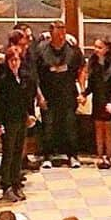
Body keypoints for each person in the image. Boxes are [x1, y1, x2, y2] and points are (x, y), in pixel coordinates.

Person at [35, 19, 85, 168]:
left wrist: (81, 90)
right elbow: (35, 75)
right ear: (51, 33)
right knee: (48, 126)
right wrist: (39, 96)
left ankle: (73, 156)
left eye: (63, 31)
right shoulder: (41, 50)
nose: (61, 35)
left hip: (68, 94)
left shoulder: (73, 50)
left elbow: (82, 69)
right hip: (48, 95)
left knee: (70, 125)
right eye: (58, 32)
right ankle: (47, 156)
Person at [0, 44, 36, 203]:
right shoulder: (4, 79)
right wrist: (0, 123)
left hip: (21, 119)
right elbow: (1, 103)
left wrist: (30, 114)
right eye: (11, 60)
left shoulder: (24, 77)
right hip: (9, 120)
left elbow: (28, 98)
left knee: (18, 153)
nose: (14, 63)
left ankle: (16, 182)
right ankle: (6, 185)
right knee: (8, 154)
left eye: (16, 60)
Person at [87, 36, 111, 169]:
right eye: (95, 47)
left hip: (108, 99)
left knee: (108, 129)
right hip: (97, 99)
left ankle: (108, 156)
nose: (96, 50)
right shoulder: (93, 63)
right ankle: (100, 156)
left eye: (99, 47)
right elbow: (91, 84)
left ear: (107, 48)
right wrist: (84, 95)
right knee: (98, 129)